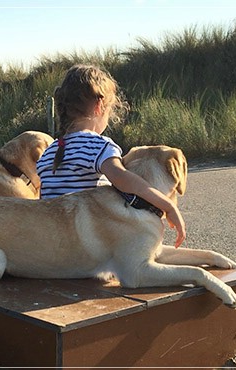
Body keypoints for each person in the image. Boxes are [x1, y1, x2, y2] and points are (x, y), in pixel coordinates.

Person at [37, 64, 186, 248]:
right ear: (99, 106)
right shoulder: (98, 146)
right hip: (88, 243)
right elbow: (124, 180)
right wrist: (167, 206)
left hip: (52, 243)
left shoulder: (49, 151)